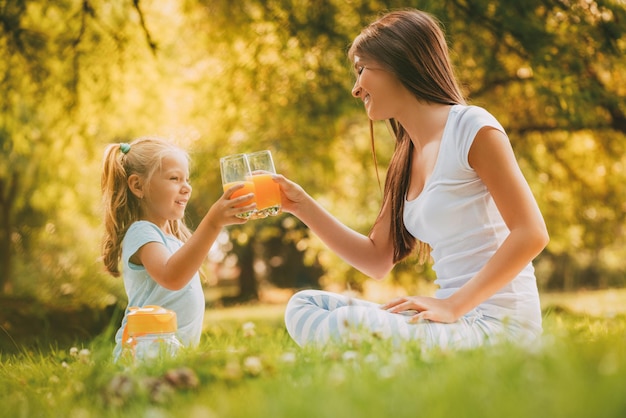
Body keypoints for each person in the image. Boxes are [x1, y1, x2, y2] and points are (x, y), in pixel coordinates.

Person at [275, 9, 549, 350]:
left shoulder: (472, 128)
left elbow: (531, 233)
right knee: (305, 305)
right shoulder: (406, 157)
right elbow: (377, 260)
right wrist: (298, 204)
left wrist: (453, 305)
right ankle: (366, 352)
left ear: (399, 61)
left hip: (498, 324)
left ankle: (361, 353)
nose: (356, 89)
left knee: (352, 323)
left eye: (362, 69)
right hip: (451, 320)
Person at [101, 137, 255, 360]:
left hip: (171, 353)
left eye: (187, 180)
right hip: (142, 355)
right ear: (137, 186)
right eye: (174, 178)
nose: (187, 188)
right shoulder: (141, 232)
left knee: (236, 360)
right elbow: (172, 276)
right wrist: (213, 222)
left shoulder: (171, 239)